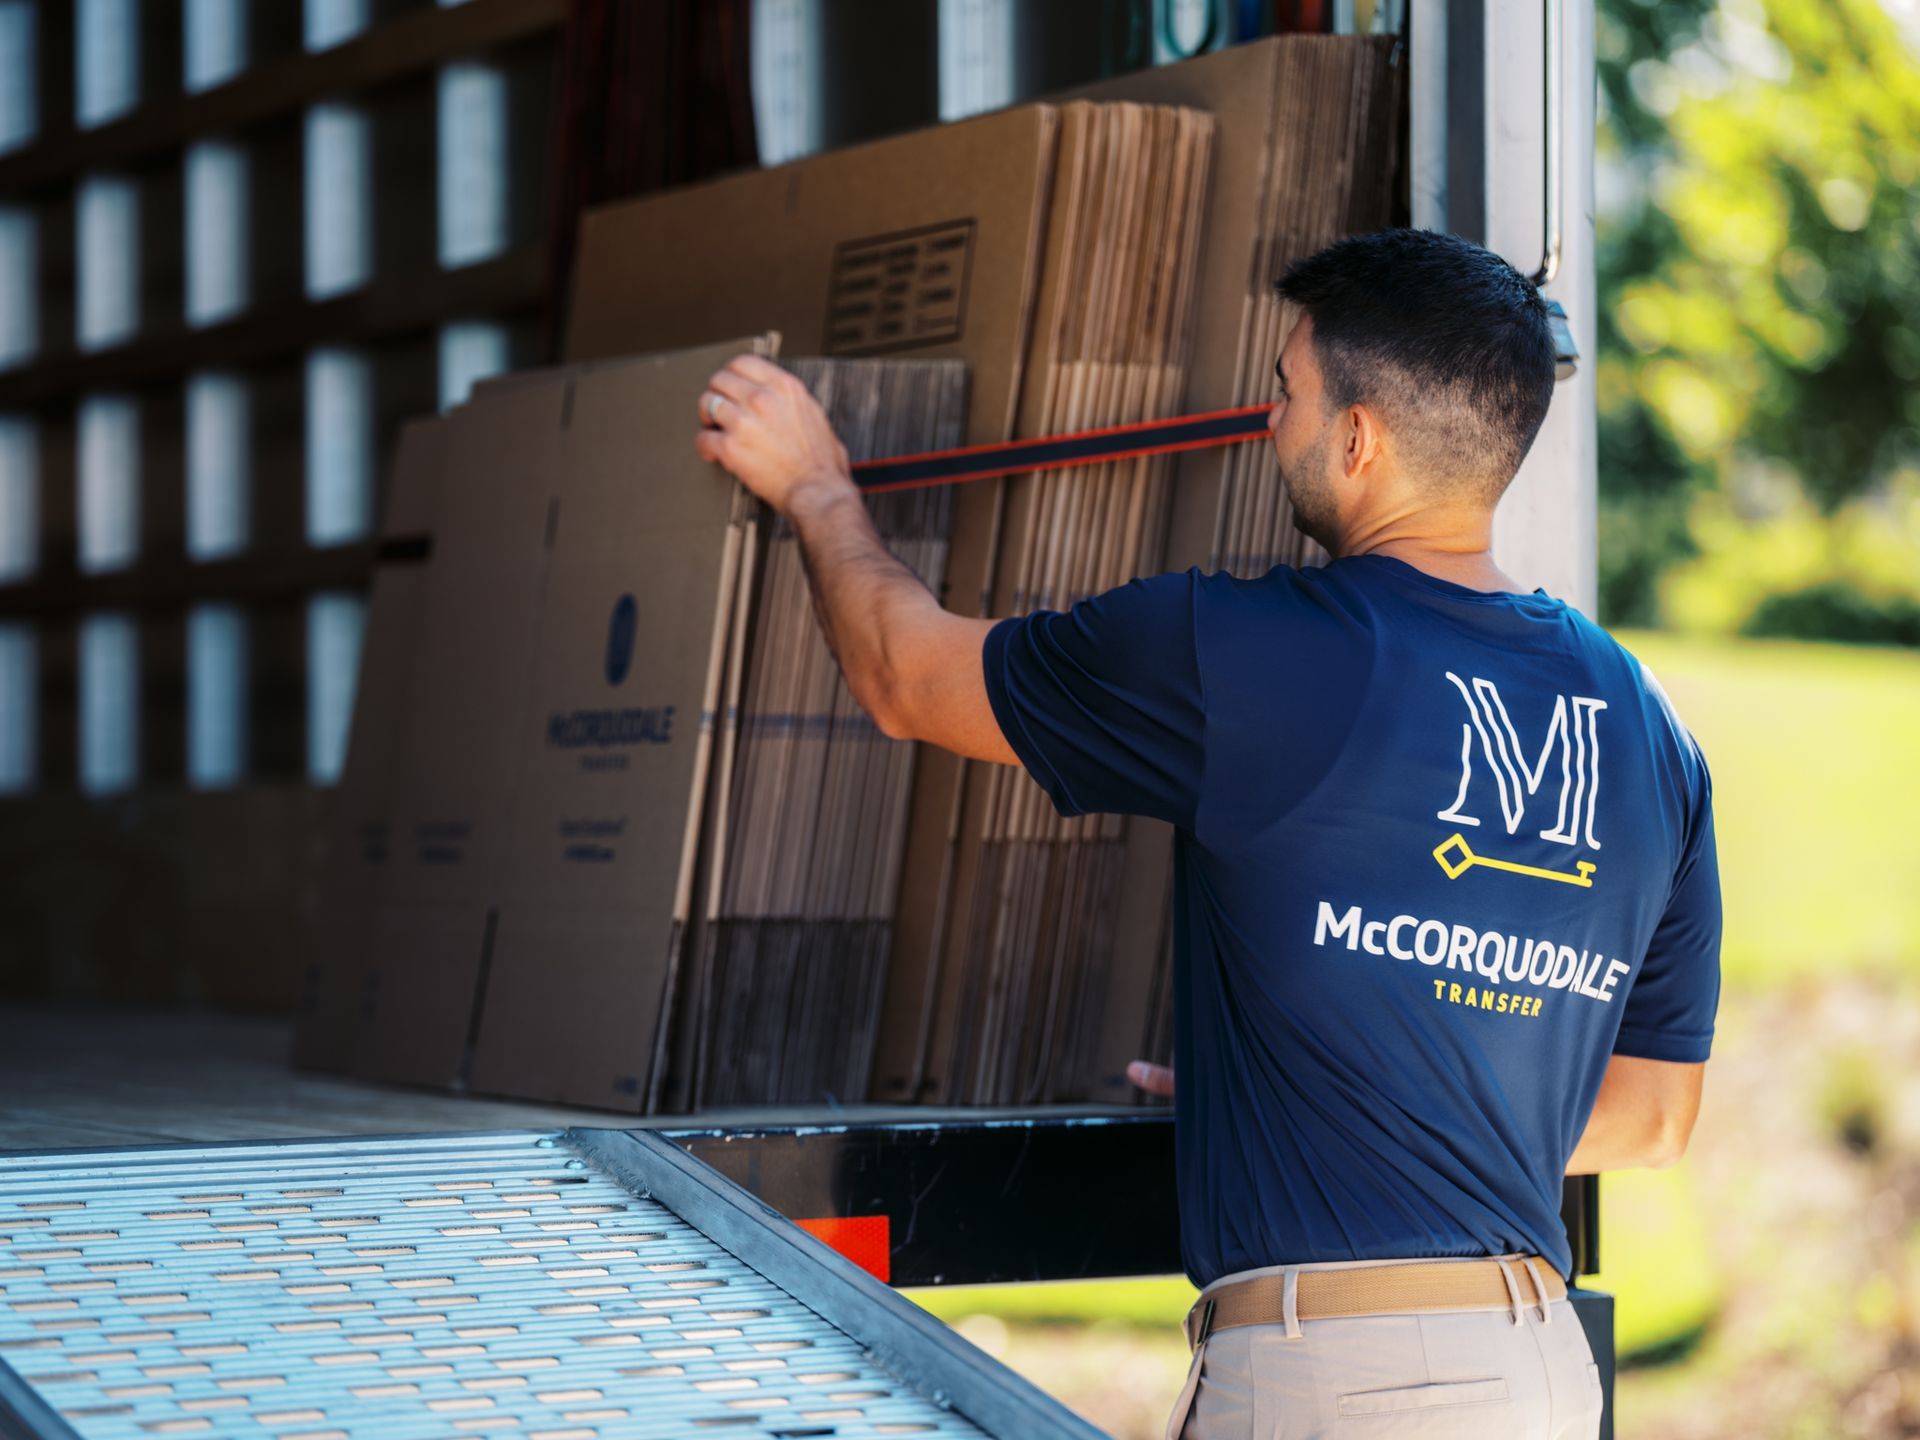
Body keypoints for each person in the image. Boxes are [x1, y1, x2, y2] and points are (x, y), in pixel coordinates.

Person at [693, 227, 1721, 1440]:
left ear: (1358, 439)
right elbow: (1654, 1117)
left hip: (1338, 1382)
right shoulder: (1650, 727)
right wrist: (1330, 1087)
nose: (1268, 424)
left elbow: (907, 678)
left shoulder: (1243, 654)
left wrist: (815, 485)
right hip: (1544, 1374)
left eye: (1286, 394)